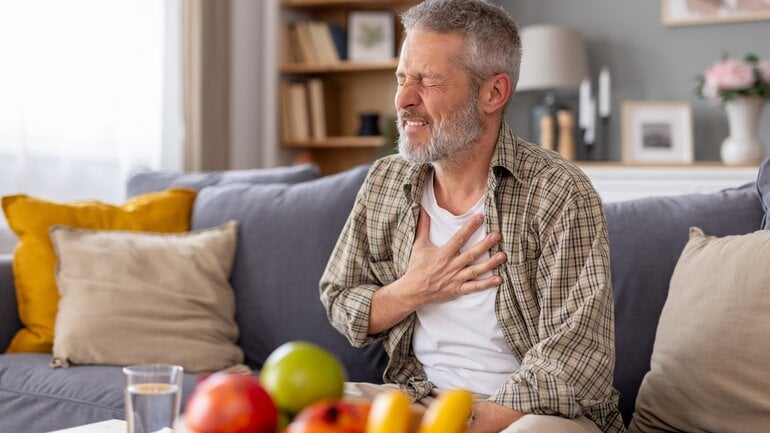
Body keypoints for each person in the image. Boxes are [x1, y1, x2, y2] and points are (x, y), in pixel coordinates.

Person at [319, 1, 624, 432]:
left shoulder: (558, 191)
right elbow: (339, 296)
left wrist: (459, 425)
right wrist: (412, 290)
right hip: (420, 396)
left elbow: (575, 361)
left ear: (493, 93)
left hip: (530, 415)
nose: (403, 100)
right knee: (322, 410)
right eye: (402, 78)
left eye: (427, 81)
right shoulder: (386, 180)